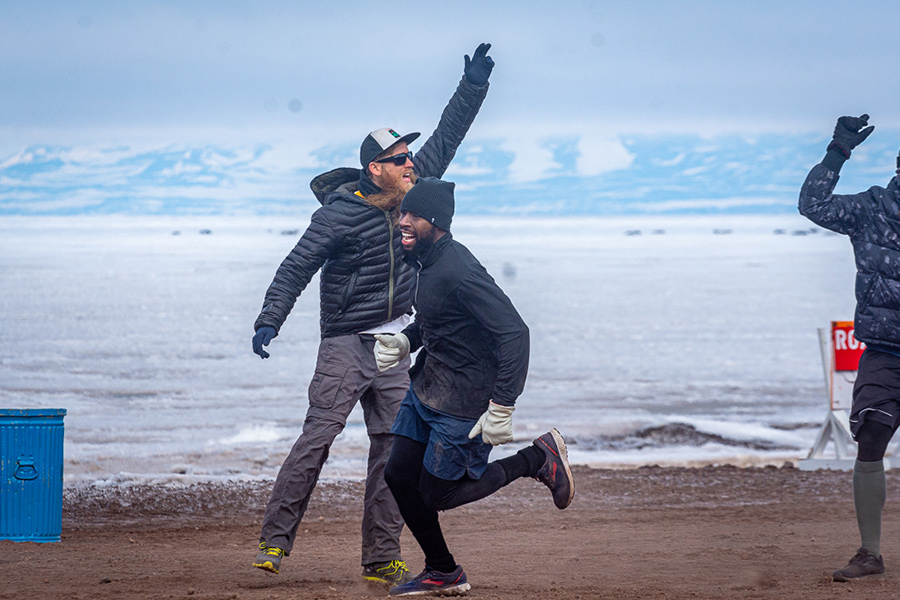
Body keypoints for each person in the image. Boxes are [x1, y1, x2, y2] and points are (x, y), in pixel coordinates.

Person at [249, 44, 496, 586]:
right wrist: (270, 319)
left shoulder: (413, 190)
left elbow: (448, 133)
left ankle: (381, 555)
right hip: (344, 344)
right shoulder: (338, 217)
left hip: (397, 347)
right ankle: (273, 542)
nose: (412, 163)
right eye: (400, 158)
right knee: (317, 438)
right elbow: (295, 269)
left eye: (411, 156)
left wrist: (473, 86)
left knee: (394, 452)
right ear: (375, 168)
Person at [374, 177, 576, 596]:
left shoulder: (460, 269)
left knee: (437, 494)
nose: (403, 221)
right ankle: (443, 571)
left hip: (464, 399)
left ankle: (536, 458)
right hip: (428, 388)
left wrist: (503, 405)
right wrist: (407, 340)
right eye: (402, 213)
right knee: (397, 475)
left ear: (436, 221)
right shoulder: (425, 260)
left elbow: (515, 333)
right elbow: (439, 319)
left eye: (412, 215)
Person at [799, 113, 900, 582]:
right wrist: (838, 152)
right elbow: (813, 205)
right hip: (884, 351)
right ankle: (870, 555)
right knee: (871, 439)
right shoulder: (872, 208)